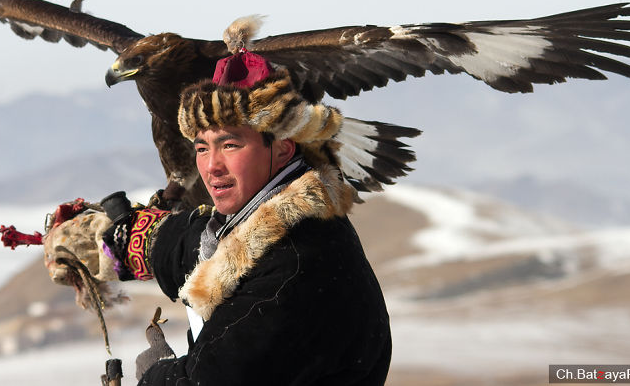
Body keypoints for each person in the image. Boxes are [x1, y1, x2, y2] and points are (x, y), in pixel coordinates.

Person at [48, 31, 419, 385]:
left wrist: (156, 373)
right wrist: (122, 242)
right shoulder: (272, 221)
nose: (211, 167)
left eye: (230, 145)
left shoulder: (293, 272)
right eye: (201, 147)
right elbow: (206, 244)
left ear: (284, 148)